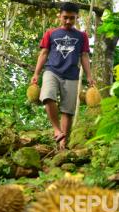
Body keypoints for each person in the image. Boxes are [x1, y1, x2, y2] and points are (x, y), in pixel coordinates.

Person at [31, 2, 95, 150]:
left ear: (77, 18)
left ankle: (62, 145)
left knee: (68, 110)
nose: (68, 21)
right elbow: (44, 53)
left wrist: (89, 76)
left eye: (72, 18)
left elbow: (84, 56)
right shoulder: (51, 33)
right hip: (52, 71)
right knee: (47, 96)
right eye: (65, 17)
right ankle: (56, 129)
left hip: (72, 75)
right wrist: (36, 73)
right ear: (59, 16)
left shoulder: (81, 36)